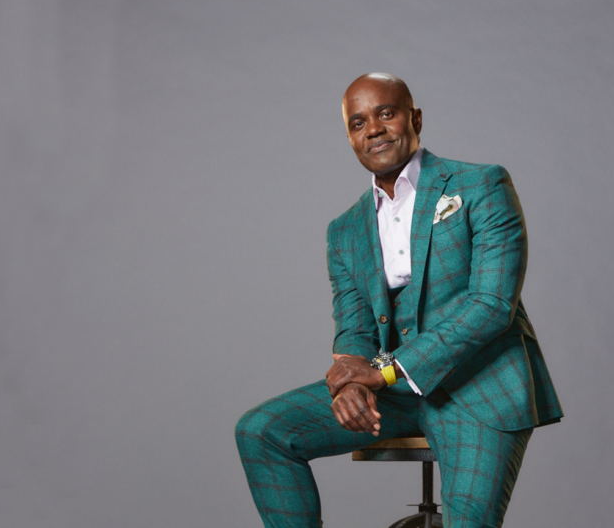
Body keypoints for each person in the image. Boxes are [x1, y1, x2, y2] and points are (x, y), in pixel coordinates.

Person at [236, 73, 562, 528]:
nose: (372, 129)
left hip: (478, 388)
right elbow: (354, 329)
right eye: (357, 122)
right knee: (262, 431)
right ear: (350, 138)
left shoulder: (481, 185)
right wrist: (349, 383)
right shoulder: (344, 230)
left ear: (415, 118)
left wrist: (383, 370)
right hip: (392, 394)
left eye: (385, 113)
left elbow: (491, 305)